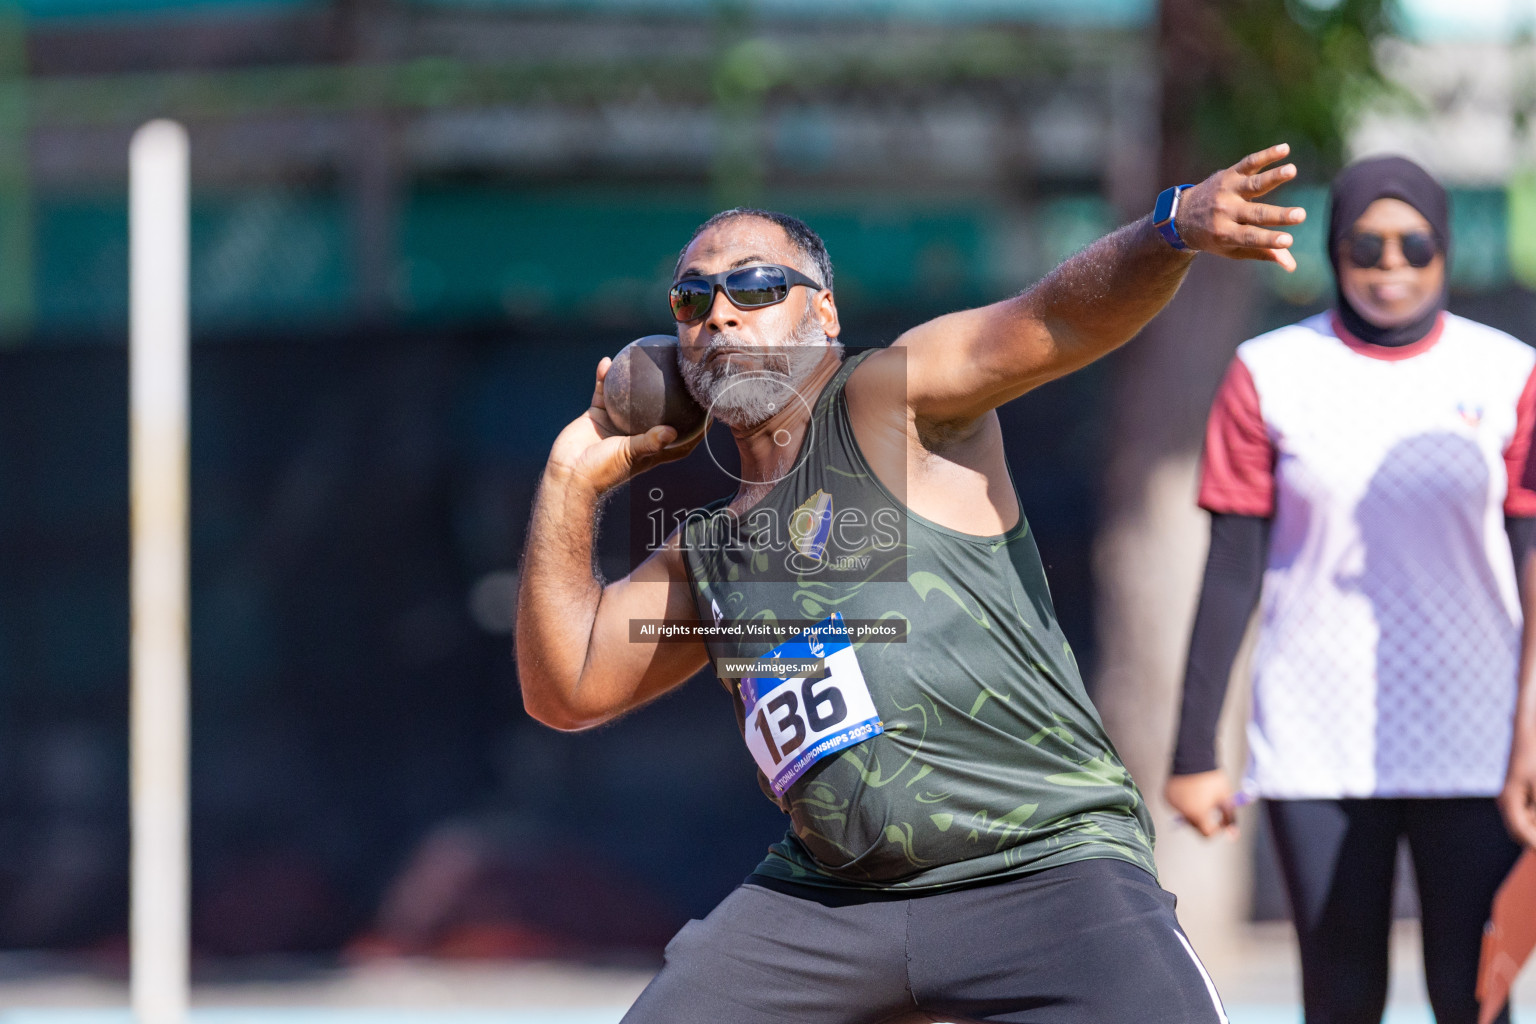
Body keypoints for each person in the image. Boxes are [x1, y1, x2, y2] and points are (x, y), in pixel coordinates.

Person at [518, 142, 1306, 1024]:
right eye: (693, 300)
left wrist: (1171, 229)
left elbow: (1054, 320)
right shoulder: (708, 553)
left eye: (753, 287)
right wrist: (570, 477)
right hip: (831, 904)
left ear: (822, 310)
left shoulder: (890, 398)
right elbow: (569, 689)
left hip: (1039, 868)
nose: (720, 317)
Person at [1165, 155, 1536, 1024]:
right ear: (1335, 246)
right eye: (1367, 244)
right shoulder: (1269, 370)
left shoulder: (1511, 374)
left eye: (1417, 244)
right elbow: (1230, 569)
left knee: (1475, 990)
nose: (1392, 264)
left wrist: (1533, 725)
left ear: (1448, 249)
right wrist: (1192, 750)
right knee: (1338, 995)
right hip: (1313, 729)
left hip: (1476, 732)